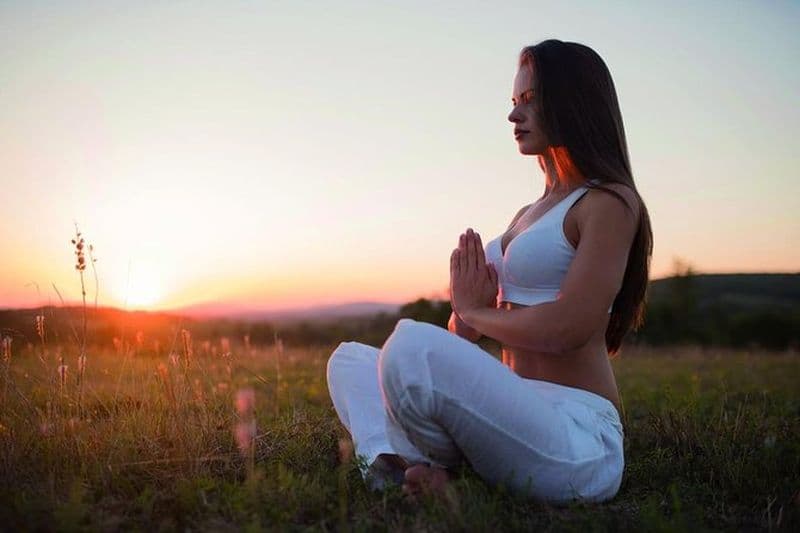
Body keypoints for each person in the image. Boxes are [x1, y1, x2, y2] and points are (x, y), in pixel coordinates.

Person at [326, 39, 653, 504]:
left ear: (574, 103)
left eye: (531, 100)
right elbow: (465, 336)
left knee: (408, 347)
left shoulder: (609, 202)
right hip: (509, 413)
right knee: (352, 361)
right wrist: (465, 321)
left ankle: (420, 468)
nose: (514, 115)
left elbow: (570, 327)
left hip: (575, 434)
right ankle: (401, 473)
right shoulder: (528, 212)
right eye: (514, 102)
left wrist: (474, 314)